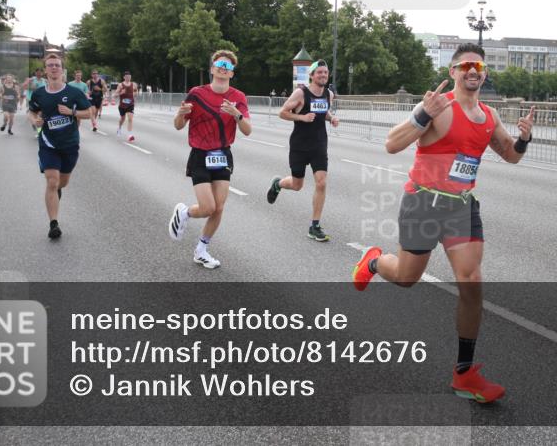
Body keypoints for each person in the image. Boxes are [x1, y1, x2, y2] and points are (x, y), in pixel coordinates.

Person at [351, 43, 535, 404]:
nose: (472, 70)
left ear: (484, 73)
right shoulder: (438, 107)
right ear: (453, 72)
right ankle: (373, 261)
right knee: (406, 278)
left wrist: (525, 139)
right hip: (423, 202)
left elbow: (511, 156)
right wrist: (421, 116)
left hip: (461, 208)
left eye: (478, 65)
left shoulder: (489, 116)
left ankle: (464, 373)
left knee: (471, 282)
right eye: (465, 65)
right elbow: (391, 144)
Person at [167, 50, 251, 269]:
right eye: (219, 64)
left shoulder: (238, 97)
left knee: (219, 208)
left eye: (228, 66)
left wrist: (236, 114)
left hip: (223, 154)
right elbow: (178, 125)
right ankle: (185, 212)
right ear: (212, 69)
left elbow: (248, 130)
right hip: (200, 154)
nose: (223, 68)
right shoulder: (197, 93)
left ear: (232, 73)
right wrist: (179, 114)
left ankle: (202, 250)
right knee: (207, 207)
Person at [266, 60, 340, 242]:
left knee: (321, 183)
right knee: (297, 185)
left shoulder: (328, 94)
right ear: (312, 75)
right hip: (299, 145)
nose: (323, 75)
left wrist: (331, 118)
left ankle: (314, 226)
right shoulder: (301, 93)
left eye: (325, 72)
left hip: (319, 145)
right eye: (319, 72)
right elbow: (282, 112)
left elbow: (324, 113)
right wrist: (302, 117)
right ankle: (278, 184)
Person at [26, 52, 92, 240]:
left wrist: (72, 112)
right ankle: (53, 224)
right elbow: (31, 112)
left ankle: (57, 190)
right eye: (50, 65)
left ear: (62, 70)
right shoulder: (39, 94)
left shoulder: (73, 93)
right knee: (52, 181)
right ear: (45, 70)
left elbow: (89, 113)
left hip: (70, 144)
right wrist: (35, 120)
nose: (54, 68)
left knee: (62, 182)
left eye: (57, 65)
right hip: (48, 143)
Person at [115, 71, 137, 141]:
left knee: (130, 118)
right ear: (124, 77)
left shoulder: (134, 84)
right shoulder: (120, 85)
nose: (128, 78)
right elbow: (115, 95)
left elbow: (136, 92)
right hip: (122, 105)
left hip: (130, 104)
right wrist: (121, 92)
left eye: (129, 76)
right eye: (127, 77)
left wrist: (135, 95)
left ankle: (130, 135)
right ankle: (119, 128)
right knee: (122, 119)